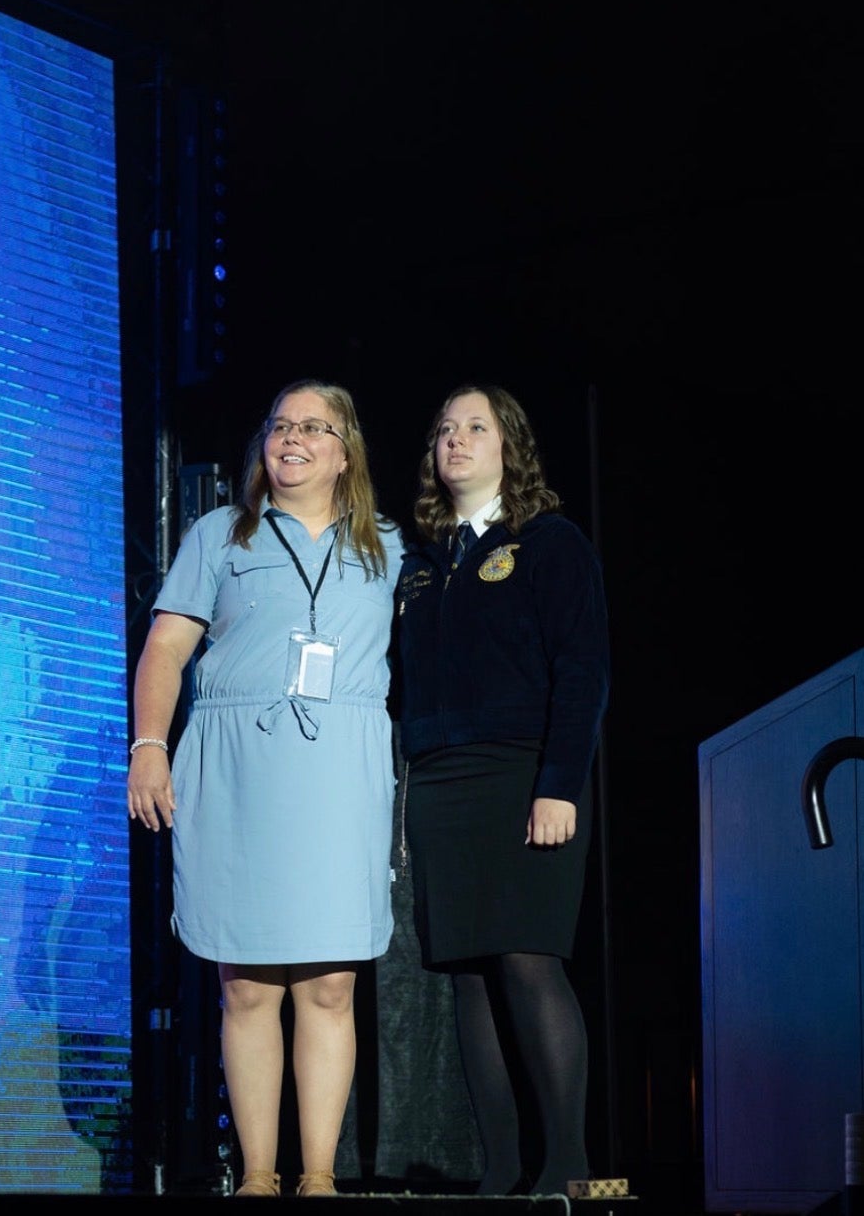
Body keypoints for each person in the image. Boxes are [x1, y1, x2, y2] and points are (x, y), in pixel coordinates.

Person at [127, 379, 404, 1198]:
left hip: (338, 769)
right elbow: (166, 649)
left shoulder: (386, 545)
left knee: (329, 981)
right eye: (280, 425)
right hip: (237, 766)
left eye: (312, 427)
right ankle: (255, 1176)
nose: (291, 438)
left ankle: (316, 1177)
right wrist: (149, 746)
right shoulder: (220, 534)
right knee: (245, 982)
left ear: (343, 449)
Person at [392, 383, 610, 1197]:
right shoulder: (418, 562)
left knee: (526, 959)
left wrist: (559, 786)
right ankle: (500, 1170)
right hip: (441, 783)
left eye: (474, 427)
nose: (455, 440)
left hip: (524, 774)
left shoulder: (548, 544)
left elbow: (582, 674)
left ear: (509, 445)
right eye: (444, 428)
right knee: (469, 977)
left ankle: (564, 1167)